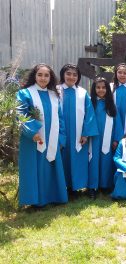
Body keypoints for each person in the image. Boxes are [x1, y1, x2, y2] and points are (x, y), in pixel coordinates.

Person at [16, 63, 67, 207]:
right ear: (34, 76)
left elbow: (60, 118)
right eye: (40, 75)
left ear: (51, 78)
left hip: (53, 138)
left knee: (51, 167)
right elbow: (20, 115)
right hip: (33, 139)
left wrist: (61, 138)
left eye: (46, 75)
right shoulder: (25, 93)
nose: (43, 78)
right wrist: (32, 132)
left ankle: (54, 197)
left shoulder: (54, 95)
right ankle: (35, 201)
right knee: (35, 168)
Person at [57, 64, 98, 198]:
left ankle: (76, 187)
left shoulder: (82, 92)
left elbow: (89, 114)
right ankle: (64, 188)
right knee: (63, 159)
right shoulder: (55, 91)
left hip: (78, 134)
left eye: (75, 75)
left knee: (77, 160)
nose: (71, 77)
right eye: (68, 73)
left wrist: (85, 133)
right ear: (63, 74)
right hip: (60, 133)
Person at [89, 77, 123, 196]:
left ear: (108, 89)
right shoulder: (90, 103)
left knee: (106, 161)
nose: (101, 90)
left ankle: (105, 185)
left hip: (108, 139)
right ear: (94, 89)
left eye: (103, 87)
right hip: (93, 138)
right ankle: (93, 186)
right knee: (93, 161)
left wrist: (116, 139)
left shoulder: (112, 105)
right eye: (98, 87)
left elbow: (118, 124)